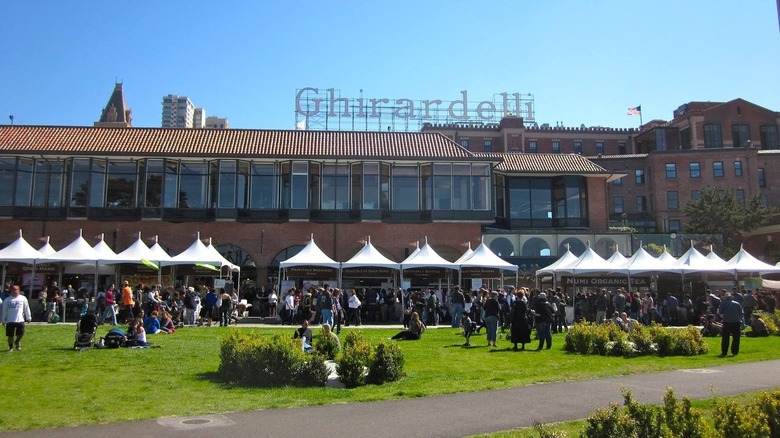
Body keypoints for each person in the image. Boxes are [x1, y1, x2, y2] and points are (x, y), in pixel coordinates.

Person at [2, 285, 32, 352]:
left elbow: (26, 308)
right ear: (11, 291)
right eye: (13, 290)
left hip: (20, 319)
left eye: (16, 290)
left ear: (19, 290)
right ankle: (11, 348)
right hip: (10, 320)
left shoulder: (23, 298)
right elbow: (4, 310)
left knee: (21, 333)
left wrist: (28, 317)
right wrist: (3, 320)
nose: (15, 292)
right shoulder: (7, 300)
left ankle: (17, 341)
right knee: (10, 335)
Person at [718, 292, 743, 357]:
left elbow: (720, 312)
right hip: (736, 322)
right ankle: (735, 351)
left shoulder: (723, 303)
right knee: (736, 338)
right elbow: (741, 313)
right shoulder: (737, 303)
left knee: (725, 337)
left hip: (727, 322)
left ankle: (724, 352)